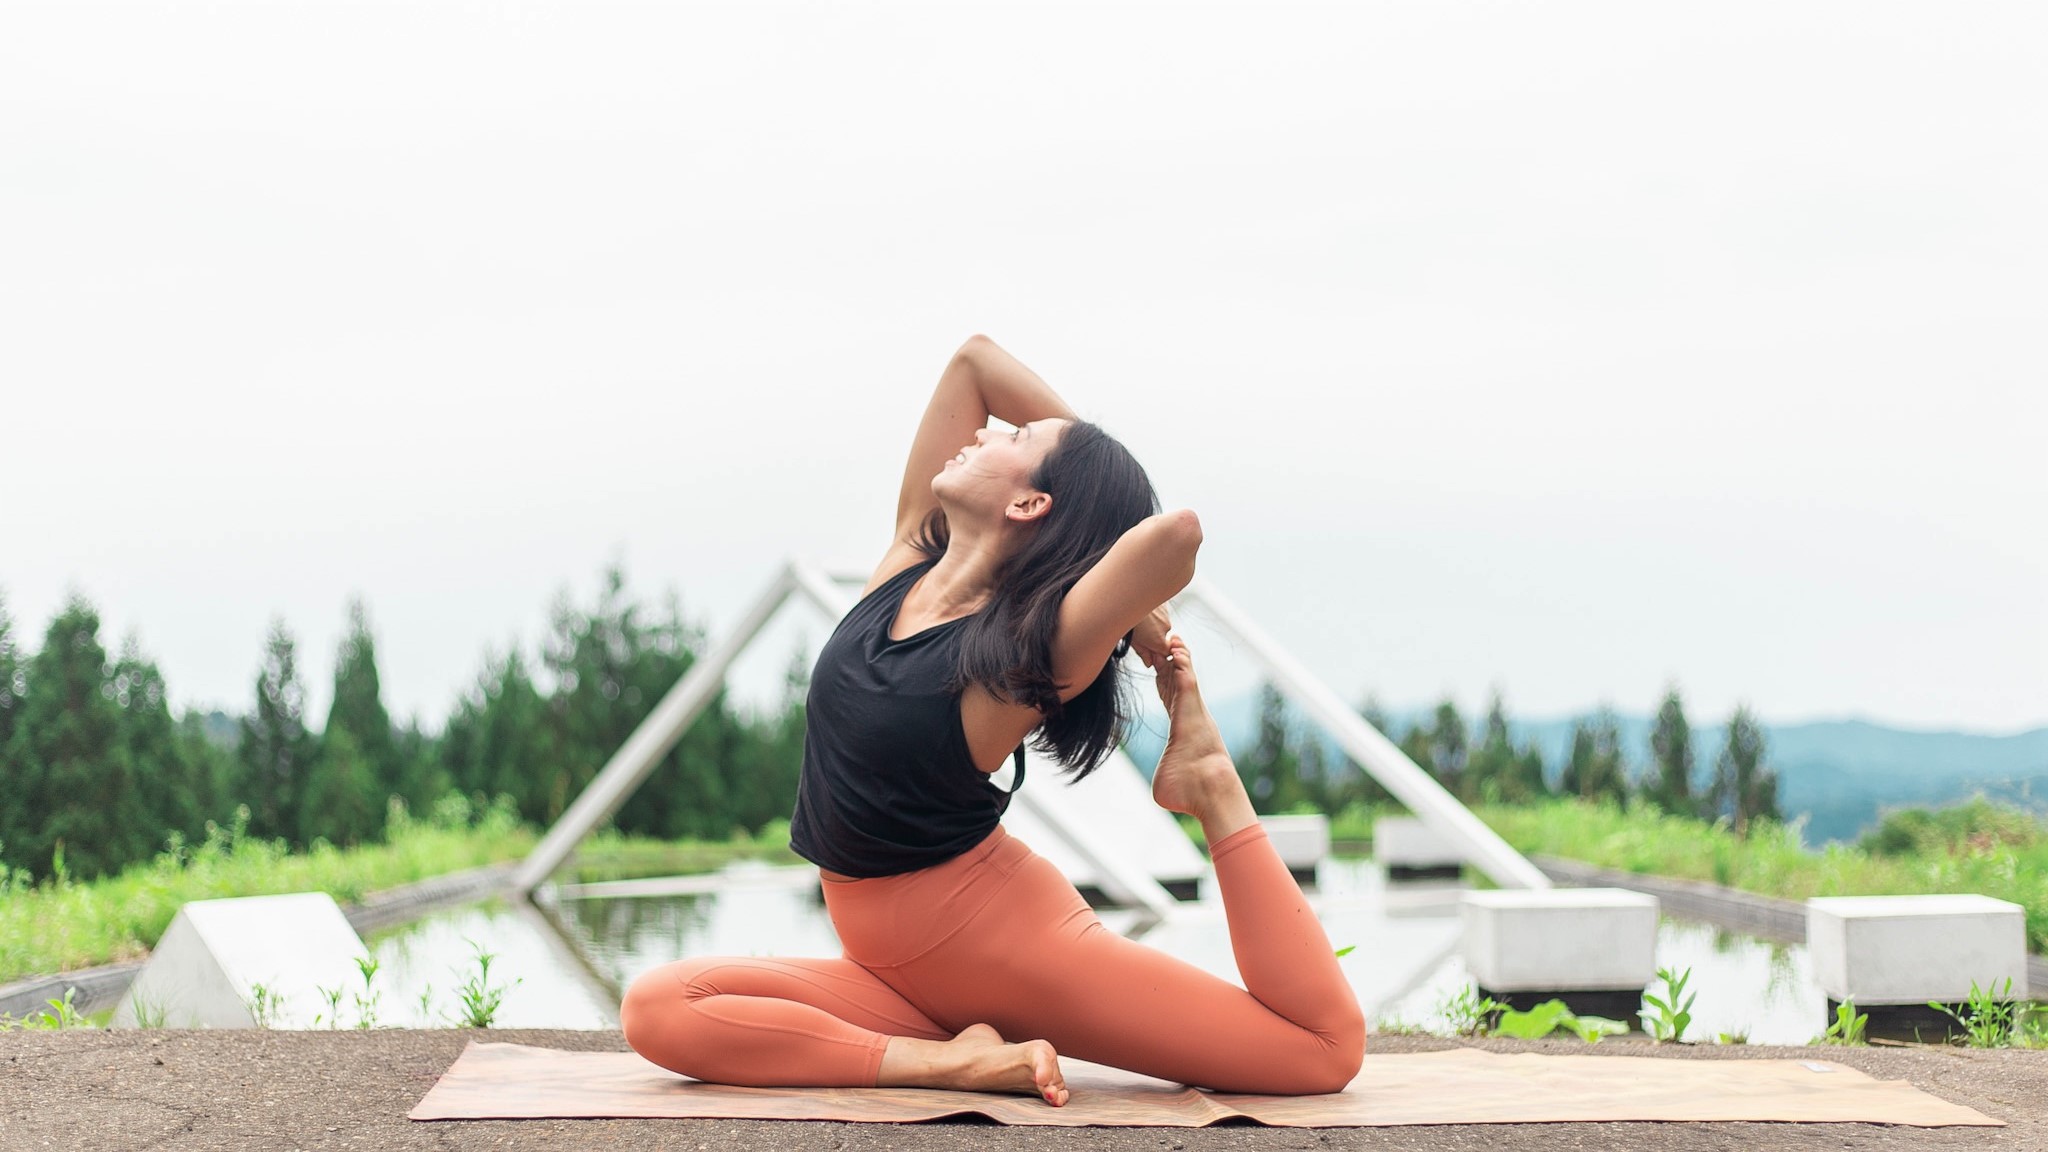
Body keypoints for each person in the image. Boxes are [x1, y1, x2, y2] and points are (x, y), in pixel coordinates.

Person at [619, 336, 1365, 1105]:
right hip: (893, 968)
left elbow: (1175, 537)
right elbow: (974, 363)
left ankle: (1208, 778)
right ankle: (950, 1059)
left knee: (1318, 1053)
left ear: (1029, 502)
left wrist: (1120, 589)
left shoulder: (1016, 662)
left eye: (1016, 439)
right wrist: (1078, 492)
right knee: (658, 1008)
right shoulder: (908, 561)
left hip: (1004, 949)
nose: (986, 430)